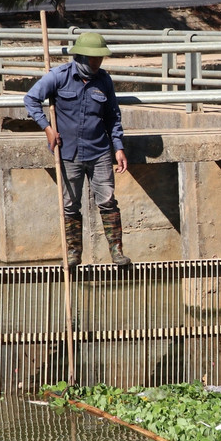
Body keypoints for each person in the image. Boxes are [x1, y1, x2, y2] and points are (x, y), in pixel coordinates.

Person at [24, 32, 132, 267]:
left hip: (99, 151)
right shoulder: (59, 77)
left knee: (108, 201)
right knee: (70, 204)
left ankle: (116, 252)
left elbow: (113, 116)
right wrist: (48, 129)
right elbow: (31, 99)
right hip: (68, 153)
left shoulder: (104, 81)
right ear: (81, 57)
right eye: (94, 59)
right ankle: (73, 254)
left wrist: (118, 147)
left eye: (100, 59)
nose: (97, 63)